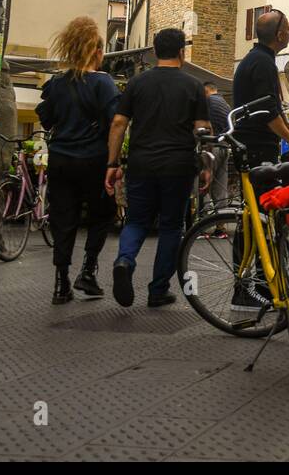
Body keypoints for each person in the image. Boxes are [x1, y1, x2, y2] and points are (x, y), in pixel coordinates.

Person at [104, 28, 212, 308]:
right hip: (178, 165)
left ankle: (124, 261)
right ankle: (158, 289)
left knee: (137, 220)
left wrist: (112, 163)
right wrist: (206, 163)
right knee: (171, 227)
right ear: (181, 53)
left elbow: (118, 123)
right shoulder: (194, 86)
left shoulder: (137, 83)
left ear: (154, 52)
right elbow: (202, 128)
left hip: (141, 163)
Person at [36, 16, 120, 305]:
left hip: (60, 158)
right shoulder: (104, 84)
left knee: (63, 218)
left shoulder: (57, 83)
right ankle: (88, 269)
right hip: (94, 160)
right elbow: (115, 124)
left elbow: (46, 118)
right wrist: (114, 163)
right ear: (97, 52)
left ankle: (61, 282)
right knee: (102, 213)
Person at [232, 10, 289, 167]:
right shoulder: (263, 63)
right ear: (280, 35)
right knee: (267, 191)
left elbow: (275, 109)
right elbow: (268, 112)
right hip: (257, 144)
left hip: (253, 143)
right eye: (288, 28)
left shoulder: (257, 58)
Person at [203, 83, 231, 206]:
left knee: (204, 183)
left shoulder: (208, 102)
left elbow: (207, 126)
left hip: (212, 147)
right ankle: (221, 221)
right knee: (221, 188)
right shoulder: (226, 104)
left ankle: (203, 220)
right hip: (225, 146)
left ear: (206, 91)